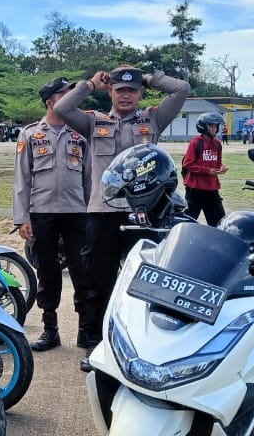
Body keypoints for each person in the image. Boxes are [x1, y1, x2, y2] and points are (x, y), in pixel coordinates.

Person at [53, 64, 190, 348]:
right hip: (103, 212)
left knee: (145, 279)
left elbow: (181, 89)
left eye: (132, 90)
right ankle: (94, 340)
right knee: (97, 281)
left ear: (140, 93)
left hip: (144, 213)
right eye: (120, 90)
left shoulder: (153, 119)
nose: (125, 95)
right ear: (111, 92)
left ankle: (141, 341)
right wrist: (90, 85)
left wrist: (150, 78)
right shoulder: (93, 122)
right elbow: (63, 108)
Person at [12, 77, 95, 351]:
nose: (71, 98)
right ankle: (50, 330)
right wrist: (22, 218)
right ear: (50, 102)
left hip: (76, 213)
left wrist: (92, 213)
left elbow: (88, 178)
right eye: (64, 94)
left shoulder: (80, 133)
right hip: (42, 213)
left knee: (83, 271)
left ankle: (85, 330)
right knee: (47, 273)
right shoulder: (30, 134)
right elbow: (22, 179)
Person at [181, 111, 228, 226]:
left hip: (212, 188)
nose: (215, 129)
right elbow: (187, 163)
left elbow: (217, 162)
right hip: (195, 189)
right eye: (212, 126)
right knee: (188, 224)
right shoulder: (195, 142)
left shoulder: (217, 143)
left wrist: (221, 167)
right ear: (203, 127)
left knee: (219, 223)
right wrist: (207, 171)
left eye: (216, 126)